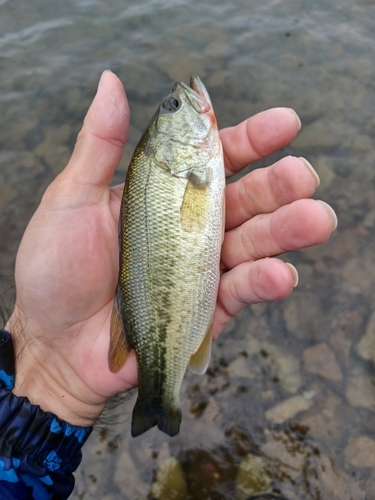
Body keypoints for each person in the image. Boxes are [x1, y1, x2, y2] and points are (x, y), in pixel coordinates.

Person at [0, 70, 337, 499]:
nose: (181, 98)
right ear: (166, 146)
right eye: (173, 107)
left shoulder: (187, 167)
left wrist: (48, 373)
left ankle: (160, 396)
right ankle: (161, 397)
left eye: (172, 105)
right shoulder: (183, 168)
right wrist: (50, 367)